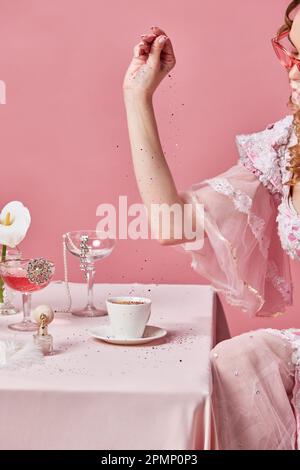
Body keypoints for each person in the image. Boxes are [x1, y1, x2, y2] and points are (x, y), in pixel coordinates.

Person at [122, 1, 300, 450]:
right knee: (231, 363)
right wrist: (137, 97)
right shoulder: (286, 147)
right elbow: (172, 223)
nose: (292, 70)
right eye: (289, 50)